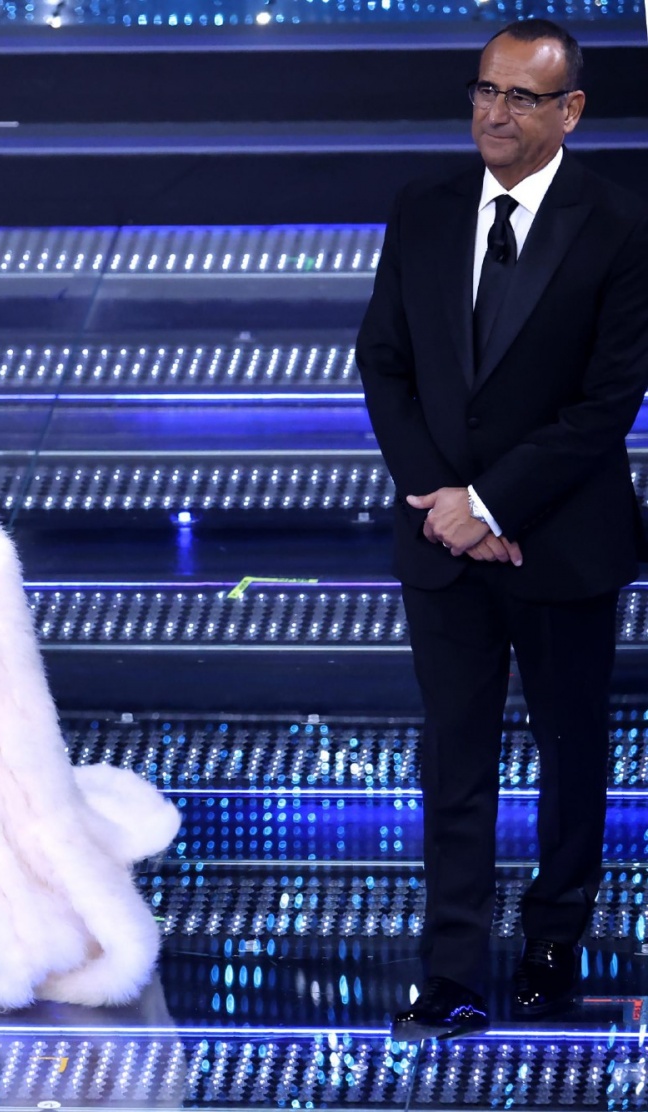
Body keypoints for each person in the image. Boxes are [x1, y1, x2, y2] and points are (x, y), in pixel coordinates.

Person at [358, 19, 648, 1037]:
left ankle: (550, 950)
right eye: (484, 91)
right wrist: (447, 503)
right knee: (455, 759)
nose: (493, 112)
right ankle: (450, 972)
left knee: (571, 760)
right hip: (442, 547)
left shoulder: (617, 225)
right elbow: (383, 364)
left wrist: (493, 503)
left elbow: (606, 401)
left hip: (562, 542)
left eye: (520, 97)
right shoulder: (423, 209)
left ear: (569, 111)